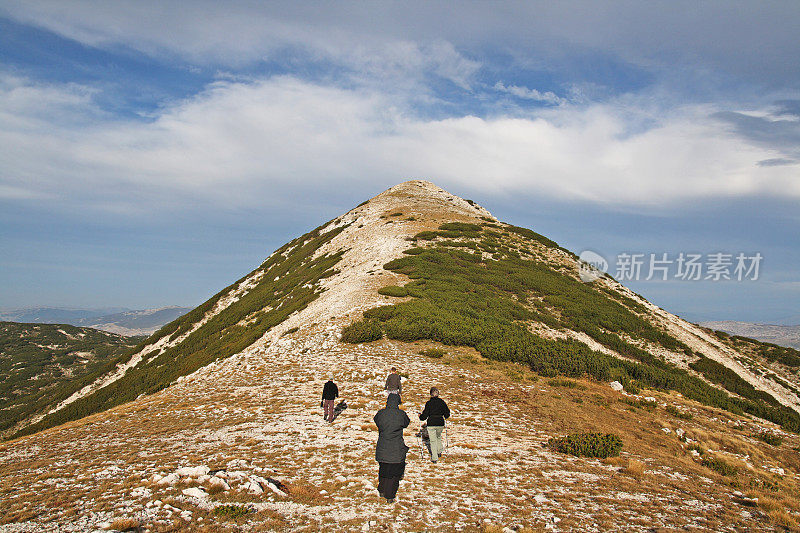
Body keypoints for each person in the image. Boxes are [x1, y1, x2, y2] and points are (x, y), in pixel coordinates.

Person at [373, 393, 409, 503]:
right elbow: (406, 423)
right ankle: (390, 495)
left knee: (383, 468)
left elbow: (376, 421)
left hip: (383, 446)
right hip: (396, 447)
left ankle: (382, 490)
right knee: (394, 473)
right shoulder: (401, 414)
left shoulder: (381, 413)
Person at [419, 387, 450, 463]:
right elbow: (447, 414)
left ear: (430, 394)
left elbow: (425, 415)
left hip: (431, 423)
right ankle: (439, 451)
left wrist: (420, 416)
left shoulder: (429, 403)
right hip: (440, 423)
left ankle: (434, 458)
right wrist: (445, 416)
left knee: (432, 441)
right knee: (438, 436)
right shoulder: (442, 402)